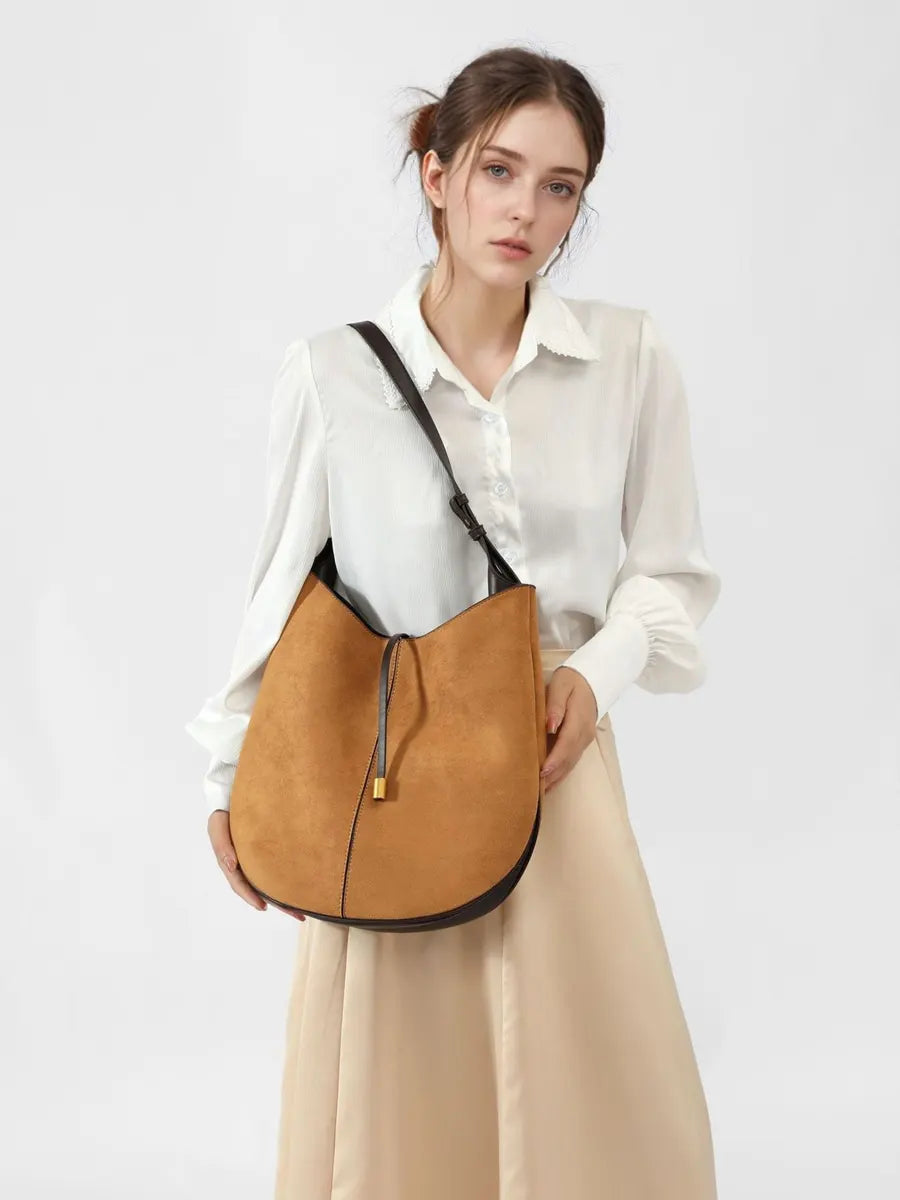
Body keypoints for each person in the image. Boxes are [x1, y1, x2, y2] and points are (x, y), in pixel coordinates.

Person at [185, 44, 722, 1200]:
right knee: (405, 1103)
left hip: (554, 757)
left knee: (610, 1086)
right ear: (437, 175)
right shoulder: (335, 375)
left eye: (561, 185)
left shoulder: (628, 356)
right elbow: (279, 595)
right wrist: (234, 775)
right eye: (499, 170)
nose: (526, 210)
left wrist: (600, 672)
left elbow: (671, 577)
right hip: (393, 771)